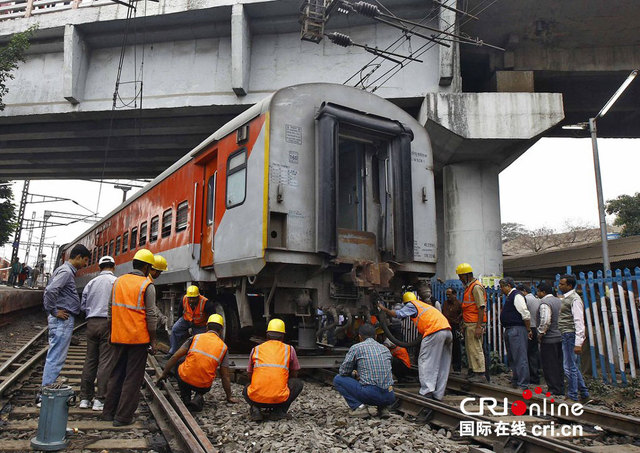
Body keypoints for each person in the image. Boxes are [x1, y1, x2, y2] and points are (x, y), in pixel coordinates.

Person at [102, 249, 158, 426]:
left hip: (118, 337)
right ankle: (123, 417)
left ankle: (108, 413)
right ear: (147, 267)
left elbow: (110, 310)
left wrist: (112, 332)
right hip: (137, 340)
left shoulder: (118, 282)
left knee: (116, 374)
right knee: (132, 379)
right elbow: (151, 316)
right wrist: (153, 339)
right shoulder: (147, 286)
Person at [39, 244, 91, 405]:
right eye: (85, 260)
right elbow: (50, 291)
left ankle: (45, 391)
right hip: (62, 319)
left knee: (55, 355)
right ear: (78, 257)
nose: (85, 264)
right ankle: (45, 394)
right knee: (56, 356)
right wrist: (54, 311)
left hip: (62, 319)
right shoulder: (66, 271)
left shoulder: (64, 271)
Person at [378, 292, 452, 400]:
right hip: (447, 331)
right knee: (442, 364)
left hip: (434, 332)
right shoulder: (423, 305)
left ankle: (426, 392)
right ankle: (438, 394)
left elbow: (397, 314)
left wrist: (382, 308)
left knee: (425, 360)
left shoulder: (412, 304)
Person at [157, 314, 237, 411]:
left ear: (206, 327)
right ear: (221, 330)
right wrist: (229, 396)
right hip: (203, 385)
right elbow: (225, 376)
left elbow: (175, 356)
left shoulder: (195, 338)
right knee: (209, 370)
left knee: (180, 361)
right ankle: (198, 396)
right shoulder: (223, 347)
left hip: (185, 380)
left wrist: (164, 373)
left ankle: (186, 398)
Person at [78, 256, 118, 411]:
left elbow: (83, 306)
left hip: (91, 323)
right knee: (106, 362)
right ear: (114, 267)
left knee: (90, 361)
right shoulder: (116, 282)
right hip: (107, 323)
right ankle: (99, 400)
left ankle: (85, 399)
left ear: (99, 267)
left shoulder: (91, 283)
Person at [244, 319, 303, 421]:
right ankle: (279, 412)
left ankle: (256, 409)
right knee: (298, 383)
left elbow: (249, 374)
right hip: (279, 399)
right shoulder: (289, 349)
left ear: (267, 336)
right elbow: (295, 373)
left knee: (246, 387)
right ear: (283, 336)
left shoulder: (256, 349)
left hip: (256, 399)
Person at [334, 324, 395, 418]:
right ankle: (383, 408)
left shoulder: (356, 347)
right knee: (380, 382)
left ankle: (359, 407)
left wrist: (354, 374)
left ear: (360, 337)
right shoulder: (385, 349)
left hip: (371, 394)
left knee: (338, 379)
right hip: (389, 395)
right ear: (375, 336)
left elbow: (343, 371)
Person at [557, 274, 590, 402]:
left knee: (569, 367)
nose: (559, 286)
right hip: (566, 334)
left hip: (570, 335)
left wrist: (578, 342)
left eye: (562, 284)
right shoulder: (567, 298)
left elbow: (579, 321)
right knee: (573, 366)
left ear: (569, 286)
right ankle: (584, 393)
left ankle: (573, 395)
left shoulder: (575, 299)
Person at [455, 263, 487, 382]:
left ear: (466, 275)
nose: (460, 279)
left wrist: (478, 326)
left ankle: (480, 373)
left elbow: (481, 307)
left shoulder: (476, 287)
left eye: (461, 276)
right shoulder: (470, 287)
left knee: (476, 348)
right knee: (470, 349)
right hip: (470, 323)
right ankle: (473, 370)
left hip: (474, 323)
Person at [499, 277, 531, 390]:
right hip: (511, 329)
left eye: (502, 287)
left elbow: (525, 313)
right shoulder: (510, 297)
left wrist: (528, 329)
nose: (501, 289)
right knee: (513, 356)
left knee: (520, 356)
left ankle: (523, 383)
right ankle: (517, 380)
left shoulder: (516, 296)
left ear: (508, 285)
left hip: (517, 329)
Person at [536, 280, 564, 397]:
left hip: (549, 339)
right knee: (559, 364)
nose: (537, 294)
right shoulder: (559, 301)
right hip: (560, 337)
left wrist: (540, 333)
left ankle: (553, 388)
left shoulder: (545, 303)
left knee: (549, 364)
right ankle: (560, 387)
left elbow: (545, 320)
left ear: (543, 292)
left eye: (538, 291)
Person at [168, 285, 214, 355]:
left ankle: (197, 354)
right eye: (190, 298)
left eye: (194, 298)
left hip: (200, 324)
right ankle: (172, 352)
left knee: (199, 340)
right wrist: (179, 324)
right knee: (175, 329)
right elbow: (180, 312)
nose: (191, 300)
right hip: (186, 320)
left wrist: (209, 328)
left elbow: (212, 316)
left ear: (198, 297)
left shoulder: (206, 303)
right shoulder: (184, 299)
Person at [518, 283, 541, 385]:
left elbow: (524, 314)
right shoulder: (536, 299)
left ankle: (531, 376)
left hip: (529, 328)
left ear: (523, 290)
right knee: (534, 353)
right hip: (536, 327)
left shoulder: (525, 299)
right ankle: (535, 376)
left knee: (527, 354)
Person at [442, 288, 463, 373]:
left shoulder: (458, 304)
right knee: (445, 346)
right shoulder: (445, 303)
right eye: (447, 295)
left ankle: (457, 367)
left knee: (456, 347)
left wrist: (460, 325)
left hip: (455, 326)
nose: (448, 297)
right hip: (446, 326)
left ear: (454, 295)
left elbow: (462, 315)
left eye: (449, 295)